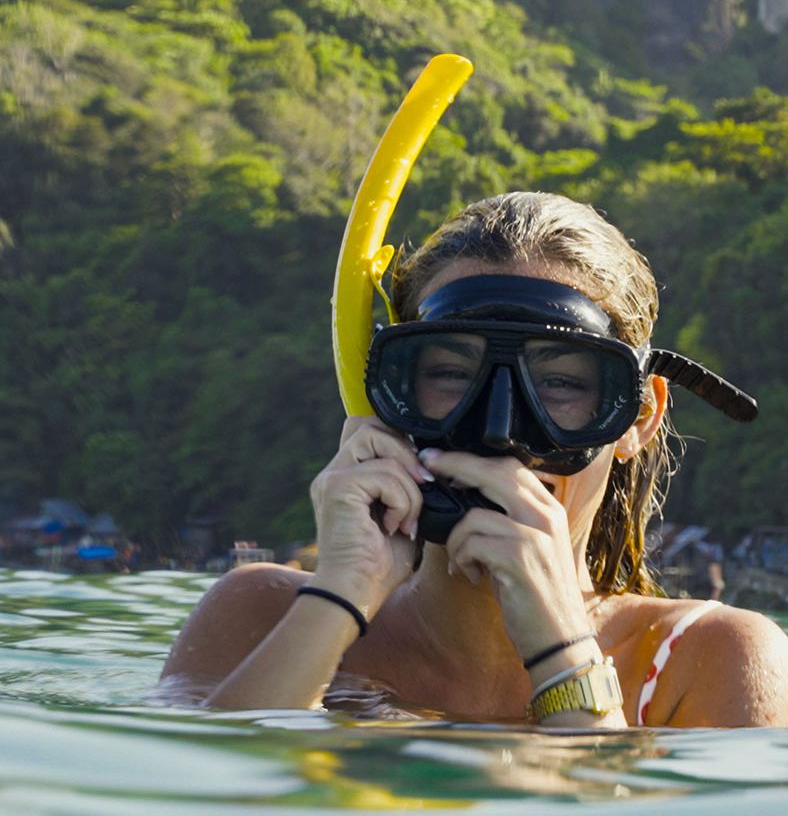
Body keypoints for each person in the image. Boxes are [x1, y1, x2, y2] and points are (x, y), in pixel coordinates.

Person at [160, 192, 788, 728]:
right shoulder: (262, 614)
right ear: (388, 396)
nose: (496, 431)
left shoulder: (710, 658)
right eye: (450, 374)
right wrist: (341, 598)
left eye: (563, 386)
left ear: (637, 416)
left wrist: (563, 650)